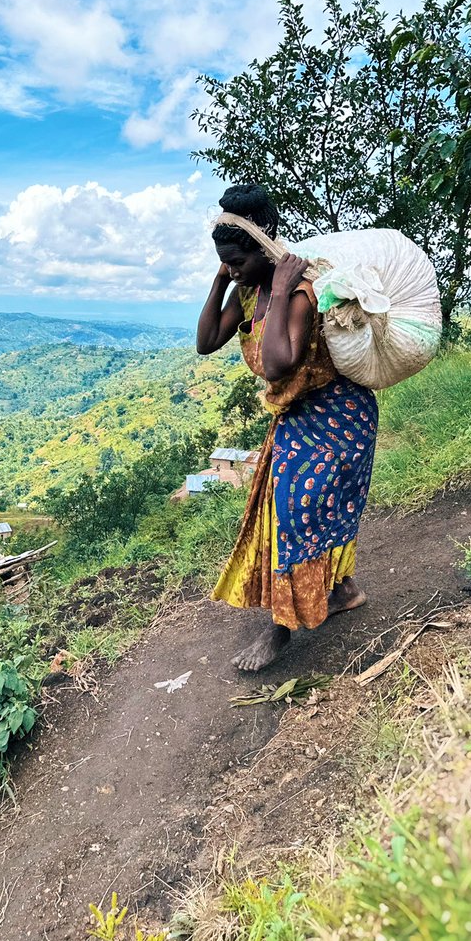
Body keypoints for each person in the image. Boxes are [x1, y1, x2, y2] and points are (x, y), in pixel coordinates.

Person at [196, 184, 377, 671]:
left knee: (295, 515)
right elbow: (207, 340)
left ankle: (280, 632)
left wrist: (277, 290)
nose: (232, 269)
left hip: (338, 416)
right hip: (298, 417)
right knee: (300, 512)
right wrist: (222, 278)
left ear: (265, 243)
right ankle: (344, 591)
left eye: (237, 259)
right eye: (224, 261)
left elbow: (278, 364)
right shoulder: (248, 288)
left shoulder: (296, 292)